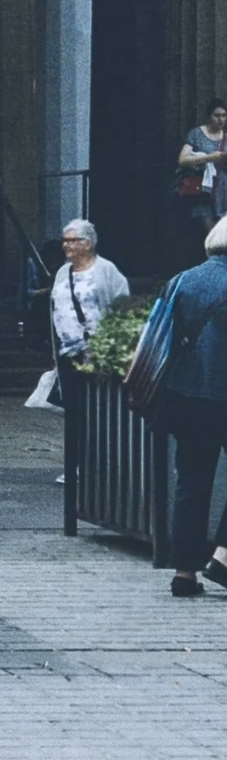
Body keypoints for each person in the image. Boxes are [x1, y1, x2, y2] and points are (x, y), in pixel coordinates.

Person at [156, 216, 227, 597]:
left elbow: (157, 339)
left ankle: (184, 573)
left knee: (192, 483)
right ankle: (223, 556)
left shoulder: (182, 281)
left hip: (188, 398)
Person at [50, 218, 128, 486]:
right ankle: (75, 466)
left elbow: (121, 310)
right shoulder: (63, 272)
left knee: (99, 413)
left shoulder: (107, 271)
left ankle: (101, 467)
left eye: (71, 240)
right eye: (65, 240)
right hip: (68, 353)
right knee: (74, 413)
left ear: (88, 243)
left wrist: (107, 346)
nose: (66, 246)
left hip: (97, 353)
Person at [177, 99, 227, 235]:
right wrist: (209, 157)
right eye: (217, 115)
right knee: (211, 236)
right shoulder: (197, 134)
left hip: (223, 195)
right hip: (203, 193)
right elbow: (183, 159)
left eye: (223, 115)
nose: (220, 119)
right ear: (209, 116)